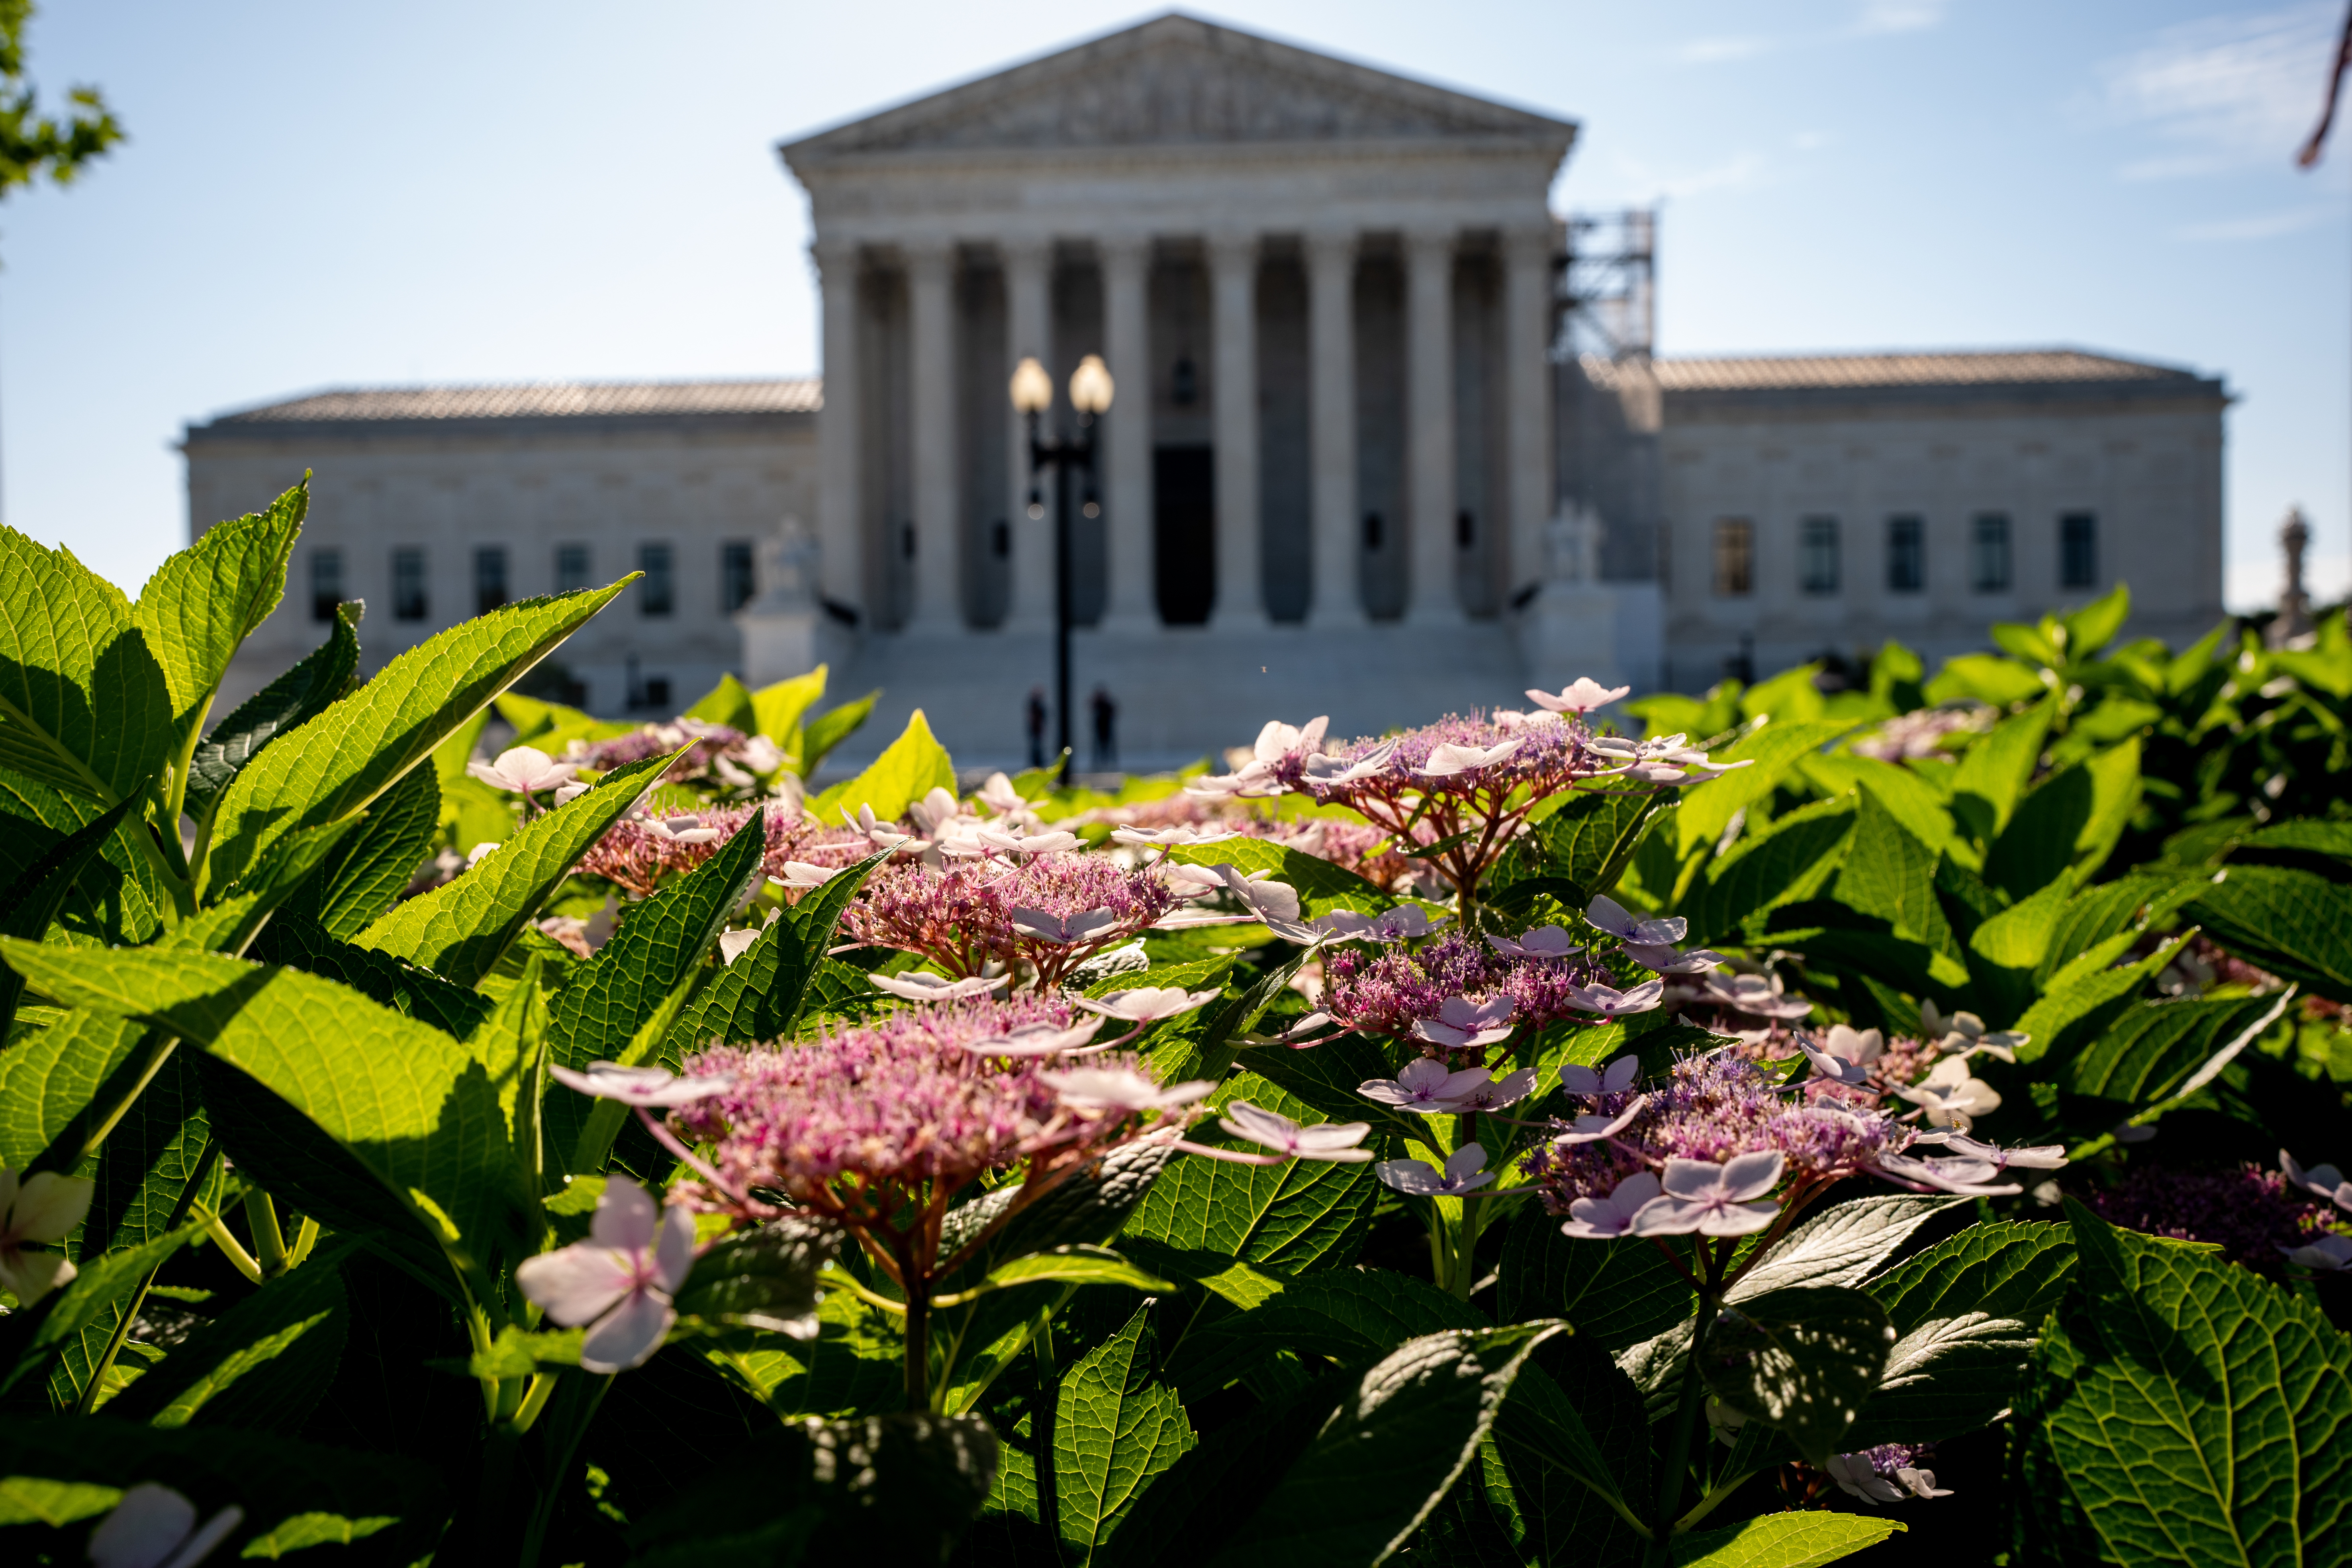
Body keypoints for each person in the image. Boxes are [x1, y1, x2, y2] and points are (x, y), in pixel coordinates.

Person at [1090, 686, 1118, 769]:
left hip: (1107, 728)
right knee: (1099, 747)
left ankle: (1108, 761)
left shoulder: (1107, 705)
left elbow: (1113, 713)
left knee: (1108, 746)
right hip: (1099, 729)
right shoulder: (1098, 705)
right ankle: (1099, 762)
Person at [1025, 687, 1048, 770]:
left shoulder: (1038, 705)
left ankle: (1038, 763)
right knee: (1036, 747)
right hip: (1035, 730)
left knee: (1037, 747)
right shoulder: (1034, 705)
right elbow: (1032, 719)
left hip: (1037, 730)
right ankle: (1036, 764)